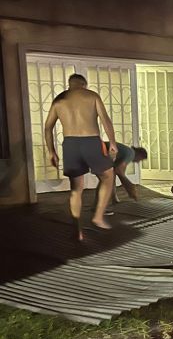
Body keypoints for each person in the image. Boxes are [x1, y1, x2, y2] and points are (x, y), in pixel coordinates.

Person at [44, 74, 118, 240]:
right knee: (107, 176)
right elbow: (105, 120)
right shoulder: (91, 96)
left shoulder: (59, 99)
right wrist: (112, 142)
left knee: (76, 189)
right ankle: (98, 216)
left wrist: (51, 151)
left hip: (70, 145)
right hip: (91, 141)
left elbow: (47, 128)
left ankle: (77, 231)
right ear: (84, 84)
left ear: (69, 85)